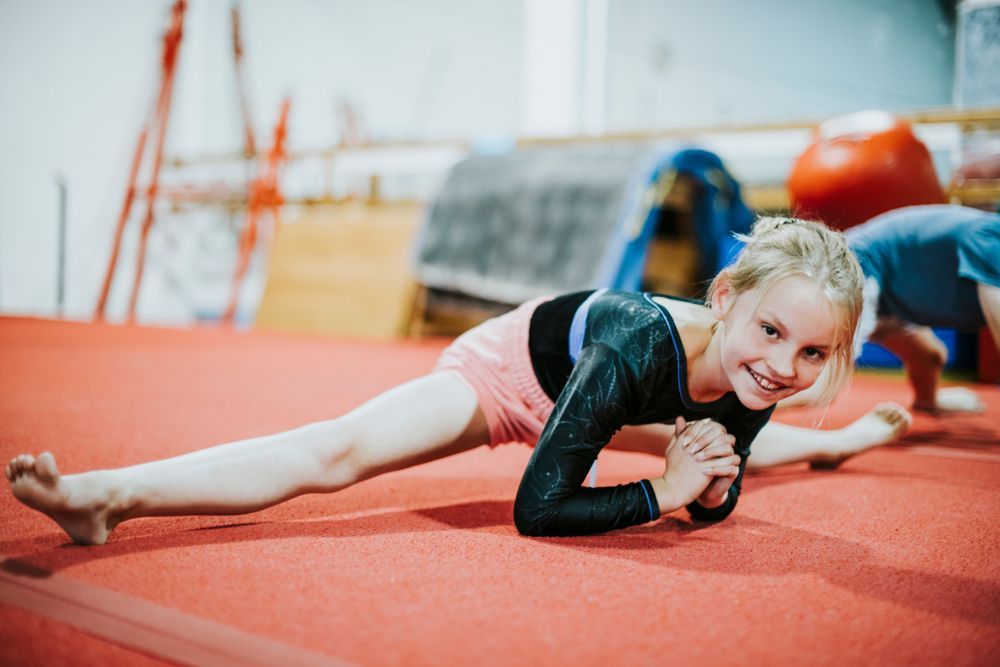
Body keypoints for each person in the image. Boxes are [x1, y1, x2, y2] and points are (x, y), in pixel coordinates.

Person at [6, 217, 864, 543]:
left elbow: (723, 489)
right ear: (726, 299)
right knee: (336, 450)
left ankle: (845, 441)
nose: (785, 365)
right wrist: (665, 491)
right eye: (773, 333)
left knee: (775, 443)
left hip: (600, 403)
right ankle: (105, 495)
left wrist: (708, 483)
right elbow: (539, 508)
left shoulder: (759, 373)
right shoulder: (643, 342)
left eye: (813, 355)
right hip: (513, 376)